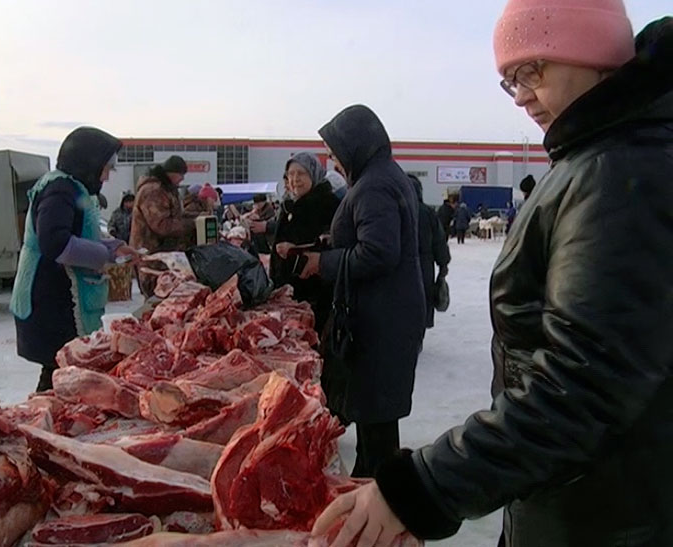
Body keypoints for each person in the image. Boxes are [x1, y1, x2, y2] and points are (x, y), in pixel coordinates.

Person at [311, 7, 673, 547]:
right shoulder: (596, 156)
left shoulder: (620, 170)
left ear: (593, 51)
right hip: (574, 493)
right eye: (509, 81)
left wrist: (425, 487)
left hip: (606, 513)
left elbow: (584, 386)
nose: (522, 94)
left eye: (533, 70)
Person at [299, 105, 425, 479]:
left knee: (377, 421)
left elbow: (379, 253)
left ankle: (379, 506)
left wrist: (323, 263)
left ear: (356, 145)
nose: (334, 162)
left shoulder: (375, 184)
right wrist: (330, 241)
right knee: (376, 422)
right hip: (387, 313)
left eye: (336, 154)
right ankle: (370, 490)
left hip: (382, 319)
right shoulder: (380, 177)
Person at [10, 127, 140, 391]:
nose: (106, 175)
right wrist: (105, 255)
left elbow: (81, 233)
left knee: (60, 376)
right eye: (105, 167)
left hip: (60, 303)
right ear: (87, 162)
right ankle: (40, 424)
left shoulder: (73, 188)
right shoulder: (59, 190)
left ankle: (45, 420)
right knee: (59, 375)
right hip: (51, 303)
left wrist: (115, 247)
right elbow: (55, 243)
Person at [270, 152, 340, 334]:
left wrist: (294, 251)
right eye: (291, 174)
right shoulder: (290, 204)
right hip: (290, 297)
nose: (295, 180)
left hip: (315, 296)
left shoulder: (328, 205)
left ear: (314, 174)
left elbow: (332, 245)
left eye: (301, 173)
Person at [129, 155, 195, 297]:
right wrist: (192, 225)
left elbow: (175, 216)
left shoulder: (167, 189)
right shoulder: (153, 191)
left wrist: (196, 218)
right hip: (150, 256)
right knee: (155, 299)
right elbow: (161, 225)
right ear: (171, 173)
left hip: (163, 255)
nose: (182, 179)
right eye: (181, 175)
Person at [407, 174, 450, 331]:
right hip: (424, 265)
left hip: (401, 265)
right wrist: (443, 263)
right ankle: (419, 334)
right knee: (423, 298)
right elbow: (439, 240)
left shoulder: (395, 210)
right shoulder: (428, 213)